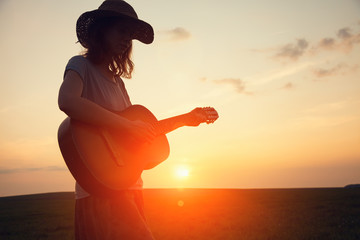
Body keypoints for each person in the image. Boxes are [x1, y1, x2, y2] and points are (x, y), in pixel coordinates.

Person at [58, 0, 218, 239]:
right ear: (102, 29)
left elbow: (130, 138)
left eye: (130, 35)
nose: (127, 40)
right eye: (122, 31)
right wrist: (128, 125)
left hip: (129, 186)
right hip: (101, 189)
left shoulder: (118, 82)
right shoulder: (80, 65)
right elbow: (67, 101)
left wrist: (186, 119)